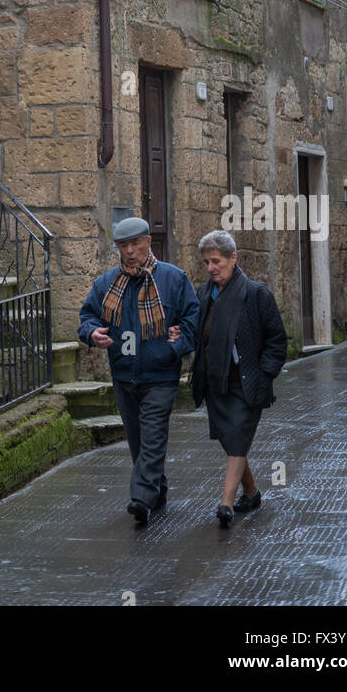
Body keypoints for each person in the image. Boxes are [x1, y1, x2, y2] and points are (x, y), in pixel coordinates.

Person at [79, 211, 199, 524]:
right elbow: (88, 316)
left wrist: (178, 342)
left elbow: (192, 320)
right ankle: (157, 490)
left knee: (153, 435)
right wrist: (92, 332)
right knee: (137, 441)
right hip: (123, 374)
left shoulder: (174, 279)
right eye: (123, 245)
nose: (130, 251)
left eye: (135, 243)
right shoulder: (107, 283)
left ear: (148, 241)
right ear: (117, 247)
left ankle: (141, 499)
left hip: (161, 374)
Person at [190, 230, 288, 527]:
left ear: (234, 258)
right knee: (232, 439)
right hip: (215, 380)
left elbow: (277, 339)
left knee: (236, 440)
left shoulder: (256, 294)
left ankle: (226, 504)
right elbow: (198, 334)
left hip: (247, 381)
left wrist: (265, 373)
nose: (211, 268)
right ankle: (253, 492)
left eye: (216, 261)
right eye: (207, 262)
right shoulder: (205, 293)